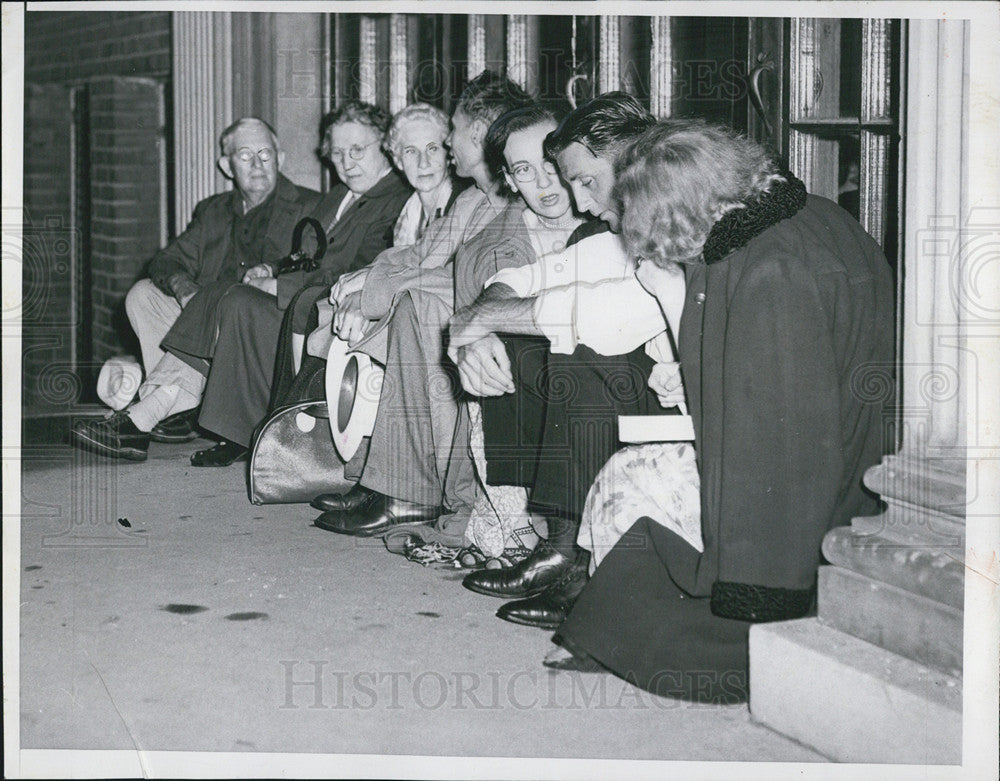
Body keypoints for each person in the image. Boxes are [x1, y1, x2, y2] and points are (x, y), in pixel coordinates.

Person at [549, 119, 894, 705]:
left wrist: (757, 588)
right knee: (622, 583)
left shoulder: (770, 275)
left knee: (631, 494)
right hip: (863, 458)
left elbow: (779, 455)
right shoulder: (802, 215)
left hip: (820, 512)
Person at [447, 93, 674, 631]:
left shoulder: (669, 213)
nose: (577, 197)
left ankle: (587, 563)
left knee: (582, 354)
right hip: (640, 375)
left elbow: (609, 318)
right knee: (522, 346)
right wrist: (481, 321)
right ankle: (562, 541)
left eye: (583, 181)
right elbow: (536, 277)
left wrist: (478, 321)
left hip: (686, 390)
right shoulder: (610, 225)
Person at [305, 73, 535, 540]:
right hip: (463, 314)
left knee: (416, 307)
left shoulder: (509, 202)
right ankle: (376, 476)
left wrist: (377, 292)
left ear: (477, 133)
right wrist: (369, 278)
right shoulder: (475, 197)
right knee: (351, 307)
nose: (447, 144)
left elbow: (464, 281)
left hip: (500, 327)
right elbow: (420, 255)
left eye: (451, 131)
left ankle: (405, 489)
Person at [174, 101, 413, 466]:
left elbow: (362, 268)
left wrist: (281, 288)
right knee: (237, 298)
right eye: (337, 153)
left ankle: (246, 429)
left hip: (333, 305)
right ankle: (241, 429)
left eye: (358, 150)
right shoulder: (339, 196)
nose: (347, 163)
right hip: (306, 294)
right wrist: (271, 269)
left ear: (385, 147)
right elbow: (306, 251)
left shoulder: (396, 199)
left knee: (240, 302)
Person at [72, 118, 321, 459]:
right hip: (211, 323)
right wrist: (185, 288)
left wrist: (272, 279)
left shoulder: (311, 207)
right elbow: (165, 262)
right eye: (245, 155)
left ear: (281, 158)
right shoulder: (214, 211)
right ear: (226, 165)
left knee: (223, 299)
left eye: (265, 153)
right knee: (143, 296)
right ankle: (181, 407)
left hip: (264, 329)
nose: (258, 164)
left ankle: (148, 413)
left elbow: (316, 276)